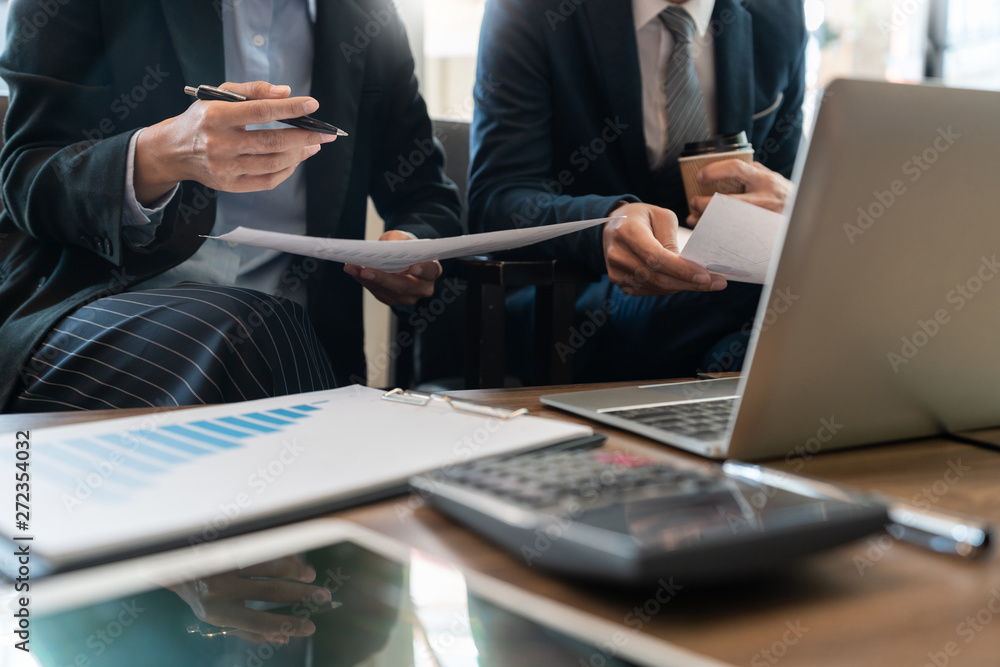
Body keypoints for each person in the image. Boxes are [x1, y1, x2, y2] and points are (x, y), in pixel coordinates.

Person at [0, 0, 461, 411]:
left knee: (266, 333)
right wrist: (157, 156)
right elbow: (25, 177)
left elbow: (425, 193)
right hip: (96, 308)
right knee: (254, 332)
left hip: (298, 343)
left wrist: (409, 248)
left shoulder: (372, 16)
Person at [468, 0, 806, 382]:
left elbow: (786, 185)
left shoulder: (779, 13)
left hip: (725, 308)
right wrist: (604, 225)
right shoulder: (532, 10)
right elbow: (497, 198)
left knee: (743, 348)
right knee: (796, 298)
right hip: (577, 297)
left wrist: (795, 204)